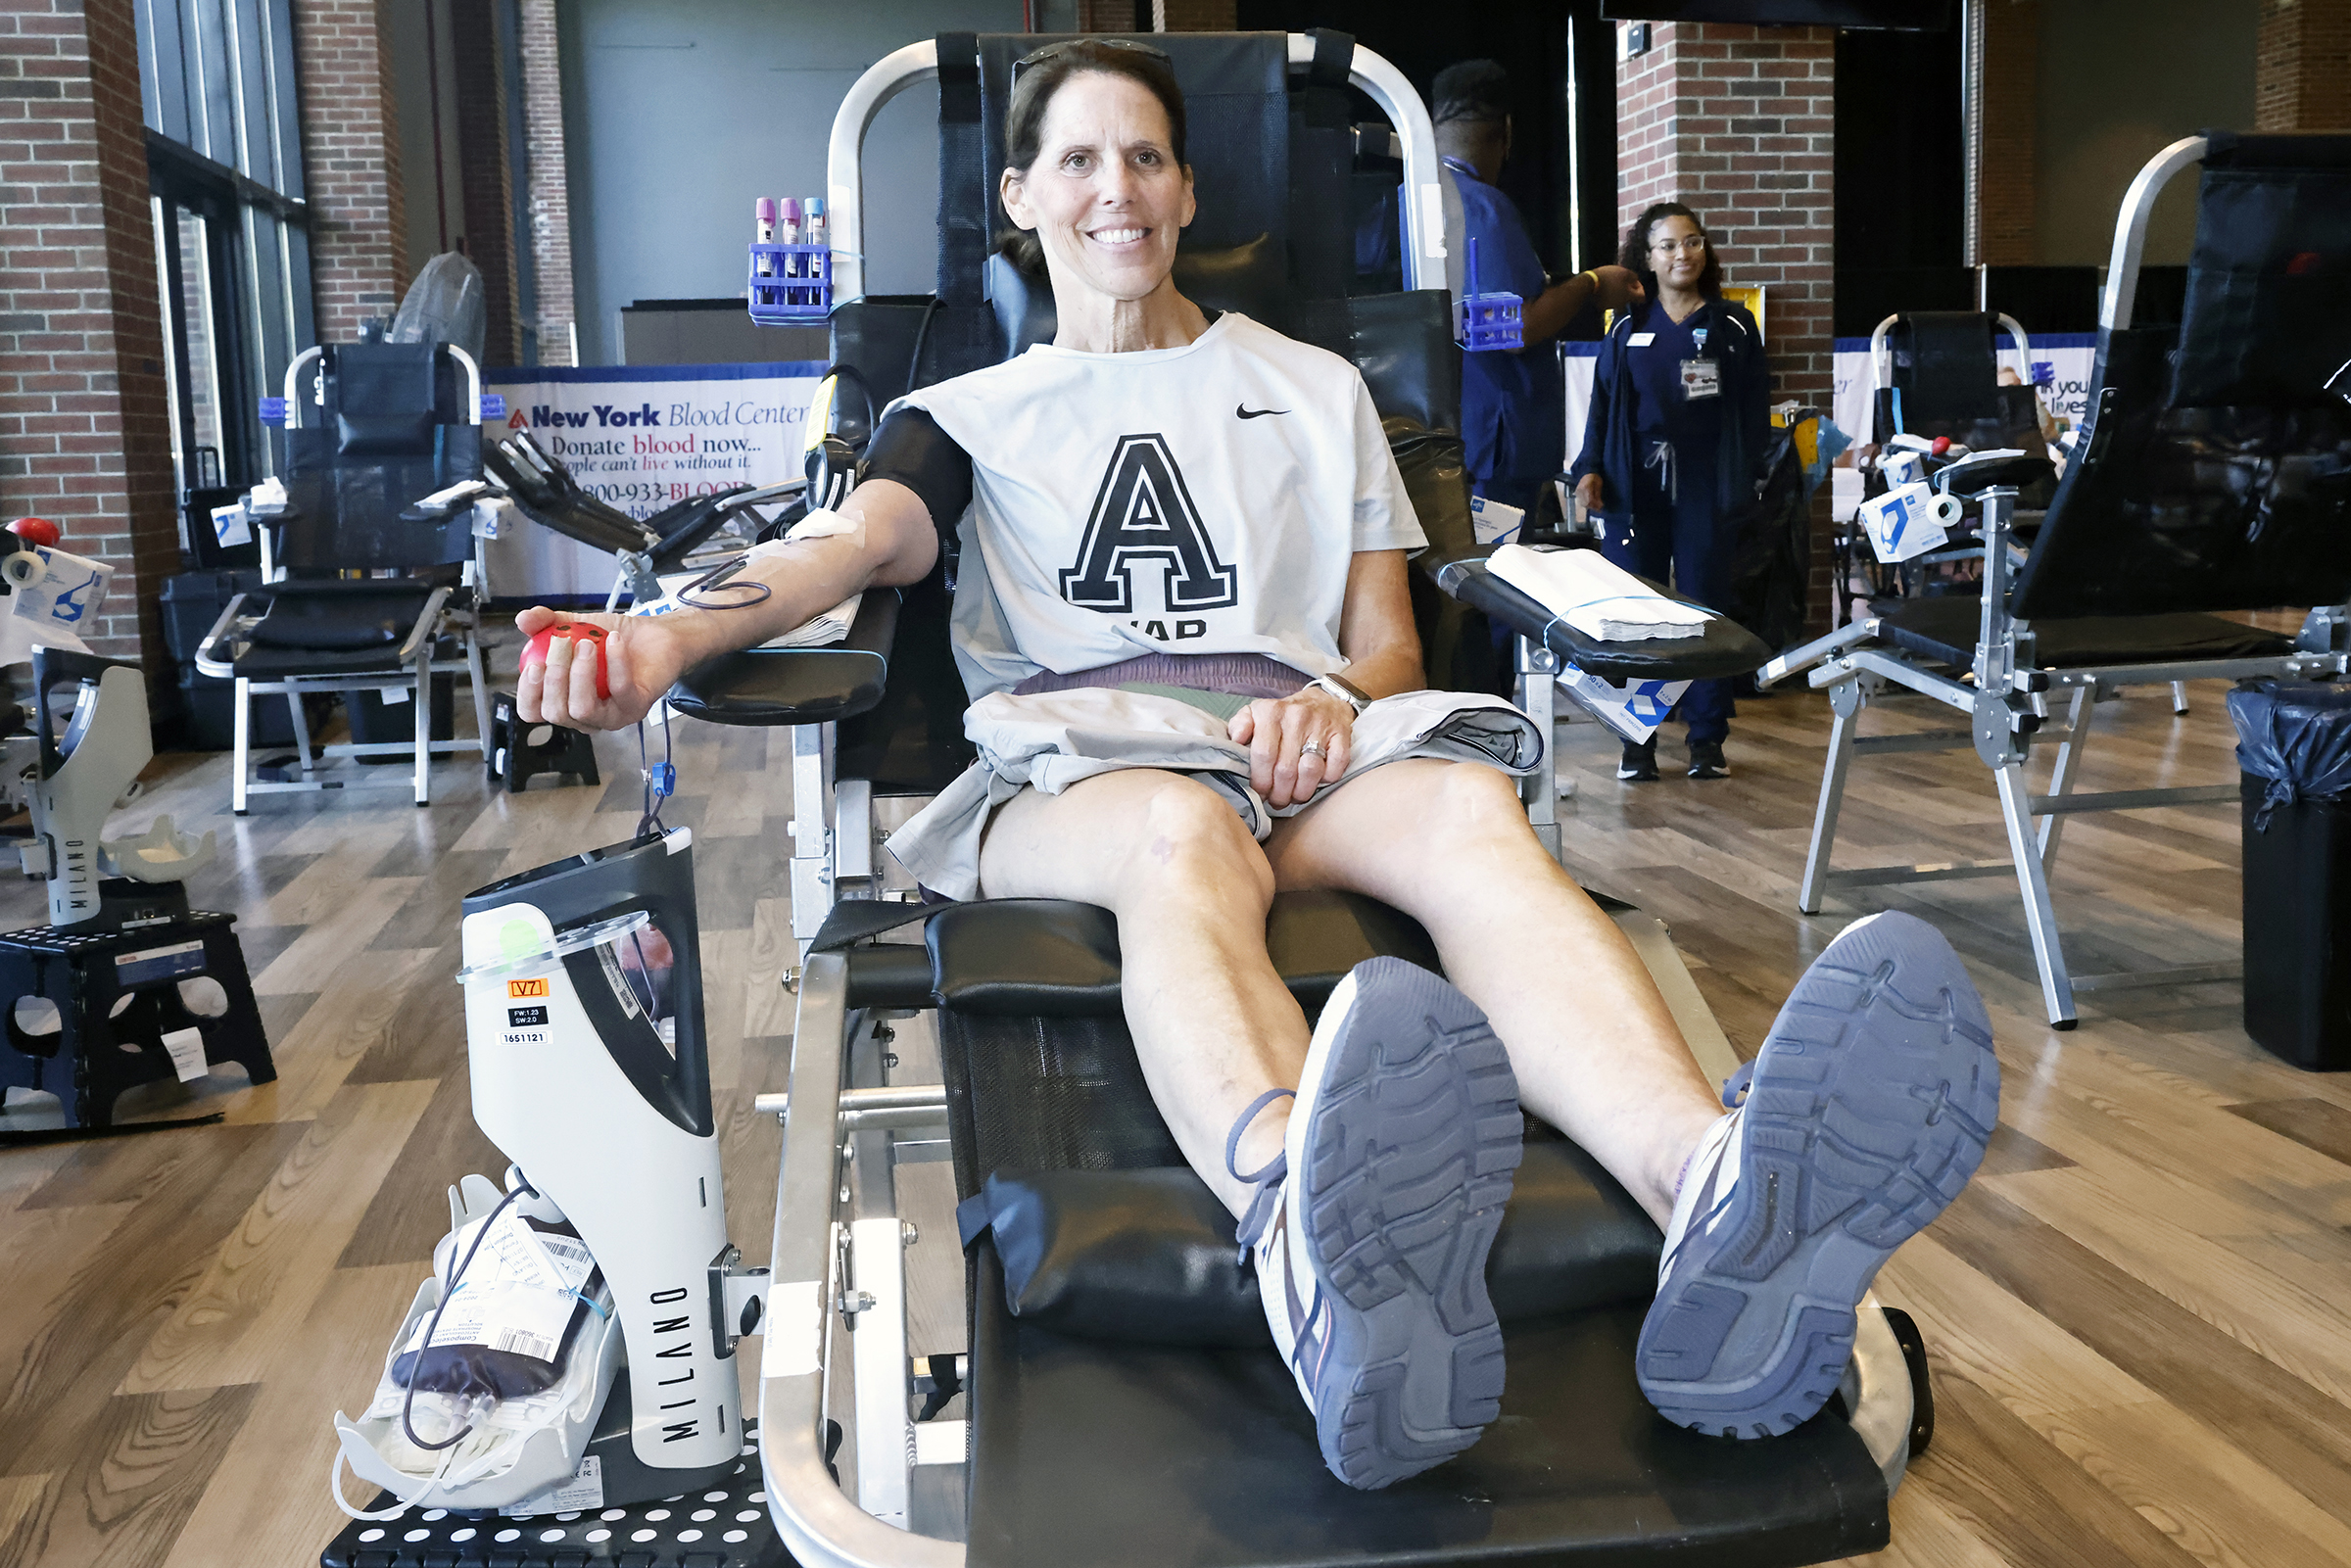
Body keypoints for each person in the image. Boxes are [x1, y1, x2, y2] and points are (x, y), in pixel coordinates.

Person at [517, 43, 1996, 1493]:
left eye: (1147, 157)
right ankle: (1312, 1227)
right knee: (1178, 838)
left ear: (1186, 190)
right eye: (1080, 161)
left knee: (1471, 813)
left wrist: (1336, 705)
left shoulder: (1311, 385)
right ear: (1022, 199)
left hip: (1308, 746)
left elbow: (1389, 652)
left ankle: (1716, 1197)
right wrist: (647, 645)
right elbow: (835, 551)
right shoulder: (965, 415)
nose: (1119, 190)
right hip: (1084, 769)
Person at [1571, 202, 1771, 783]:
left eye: (1692, 242)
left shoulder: (1734, 324)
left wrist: (1747, 474)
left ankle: (1707, 739)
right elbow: (1601, 407)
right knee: (1639, 613)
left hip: (1708, 484)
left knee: (1704, 607)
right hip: (1635, 484)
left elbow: (1754, 412)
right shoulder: (1627, 329)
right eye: (1667, 245)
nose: (1682, 254)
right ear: (1647, 258)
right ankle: (1638, 742)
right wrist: (1590, 468)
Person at [1430, 60, 1644, 518]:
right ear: (1505, 132)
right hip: (1492, 452)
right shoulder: (1478, 205)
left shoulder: (1407, 199)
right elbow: (1505, 330)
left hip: (1439, 439)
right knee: (1492, 580)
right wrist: (1590, 284)